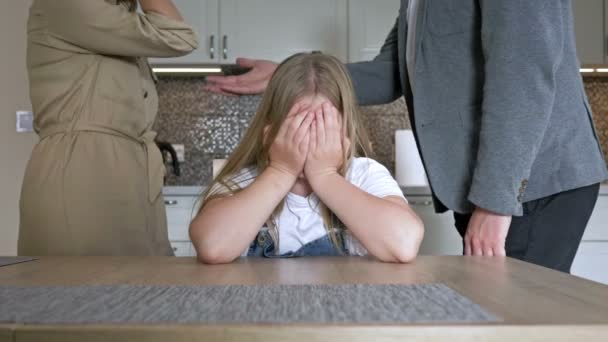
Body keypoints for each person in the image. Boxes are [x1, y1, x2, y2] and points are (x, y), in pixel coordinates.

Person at [204, 0, 608, 273]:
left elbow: (523, 69)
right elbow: (392, 71)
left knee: (517, 318)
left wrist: (496, 203)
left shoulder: (362, 175)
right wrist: (292, 76)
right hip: (486, 186)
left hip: (532, 183)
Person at [190, 53, 424, 264]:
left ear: (345, 132)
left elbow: (403, 244)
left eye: (324, 129)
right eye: (298, 128)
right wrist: (280, 171)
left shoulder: (364, 175)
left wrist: (325, 176)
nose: (310, 142)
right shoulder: (244, 182)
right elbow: (213, 247)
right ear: (270, 131)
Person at [19, 0, 198, 256]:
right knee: (80, 284)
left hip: (130, 171)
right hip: (84, 166)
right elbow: (179, 36)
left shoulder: (119, 17)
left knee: (142, 284)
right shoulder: (67, 5)